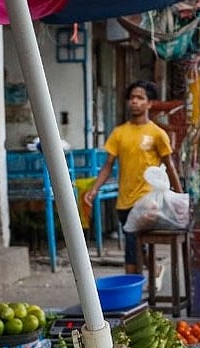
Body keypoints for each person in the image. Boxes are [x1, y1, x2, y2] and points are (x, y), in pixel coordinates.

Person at [83, 80, 181, 276]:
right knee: (136, 241)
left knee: (131, 241)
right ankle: (154, 270)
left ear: (149, 103)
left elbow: (170, 166)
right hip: (124, 200)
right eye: (132, 98)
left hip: (148, 199)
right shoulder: (119, 133)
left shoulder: (157, 134)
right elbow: (108, 165)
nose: (135, 101)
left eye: (140, 98)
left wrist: (180, 197)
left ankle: (132, 282)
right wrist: (93, 190)